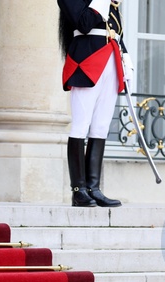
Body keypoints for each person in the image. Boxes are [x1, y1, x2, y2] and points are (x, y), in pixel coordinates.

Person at [58, 0, 134, 208]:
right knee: (80, 125)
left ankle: (93, 188)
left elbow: (116, 33)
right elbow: (84, 24)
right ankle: (78, 190)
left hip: (111, 59)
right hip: (87, 62)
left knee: (101, 126)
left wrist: (126, 61)